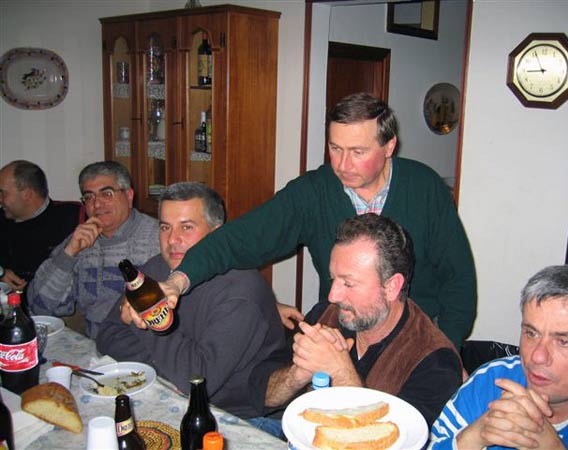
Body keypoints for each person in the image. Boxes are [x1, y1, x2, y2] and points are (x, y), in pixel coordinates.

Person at [143, 92, 476, 349]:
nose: (342, 164)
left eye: (358, 152)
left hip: (415, 337)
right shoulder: (313, 192)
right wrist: (177, 282)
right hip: (343, 337)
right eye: (335, 148)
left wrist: (446, 348)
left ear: (389, 146)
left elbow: (459, 279)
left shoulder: (425, 187)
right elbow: (239, 239)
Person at [96, 182, 286, 420]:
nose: (172, 239)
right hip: (172, 395)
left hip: (237, 418)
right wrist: (166, 370)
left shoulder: (241, 291)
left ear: (217, 234)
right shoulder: (155, 269)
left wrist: (146, 317)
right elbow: (108, 335)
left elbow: (196, 380)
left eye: (186, 227)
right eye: (165, 227)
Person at [261, 214, 463, 434]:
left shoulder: (435, 361)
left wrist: (340, 372)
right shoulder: (326, 314)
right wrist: (297, 374)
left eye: (348, 284)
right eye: (333, 279)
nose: (333, 296)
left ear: (392, 287)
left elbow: (394, 440)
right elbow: (263, 395)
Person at [429, 264, 568, 450]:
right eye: (531, 333)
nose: (537, 356)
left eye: (563, 342)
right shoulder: (492, 381)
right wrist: (471, 438)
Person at [28, 161, 158, 338]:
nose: (97, 204)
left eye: (107, 194)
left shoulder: (158, 238)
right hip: (94, 344)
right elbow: (40, 307)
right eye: (89, 197)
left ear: (128, 196)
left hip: (143, 343)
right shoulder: (79, 241)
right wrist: (68, 254)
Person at [0, 160, 82, 291]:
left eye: (3, 193)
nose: (0, 199)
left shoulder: (73, 217)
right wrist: (1, 273)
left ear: (27, 194)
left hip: (58, 300)